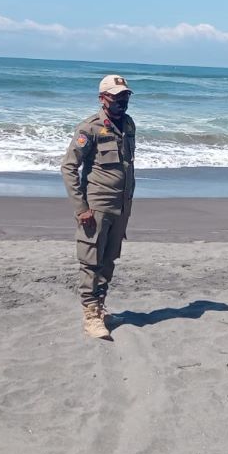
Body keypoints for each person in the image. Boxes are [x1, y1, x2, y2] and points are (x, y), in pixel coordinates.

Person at [60, 75, 136, 339]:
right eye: (116, 96)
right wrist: (81, 208)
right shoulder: (89, 128)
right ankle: (90, 315)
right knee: (90, 261)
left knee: (109, 259)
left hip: (121, 205)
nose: (122, 101)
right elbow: (69, 167)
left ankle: (100, 307)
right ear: (103, 98)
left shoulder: (128, 125)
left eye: (125, 96)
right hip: (97, 206)